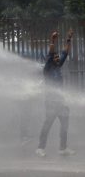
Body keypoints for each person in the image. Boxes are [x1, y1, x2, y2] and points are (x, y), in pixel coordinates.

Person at [36, 29, 75, 157]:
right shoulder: (47, 69)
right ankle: (40, 148)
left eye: (58, 57)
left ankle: (63, 148)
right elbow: (51, 52)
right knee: (48, 124)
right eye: (56, 57)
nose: (58, 58)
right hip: (51, 102)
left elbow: (65, 52)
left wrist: (68, 39)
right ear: (51, 60)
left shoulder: (58, 65)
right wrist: (52, 40)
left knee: (65, 125)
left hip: (61, 102)